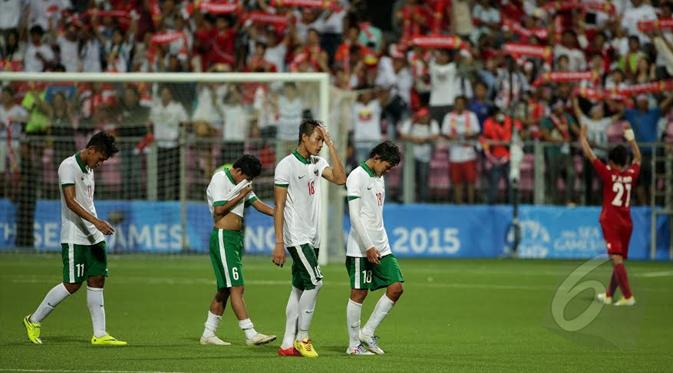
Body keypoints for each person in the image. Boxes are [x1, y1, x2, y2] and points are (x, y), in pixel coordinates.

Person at [22, 131, 126, 345]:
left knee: (97, 279)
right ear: (91, 150)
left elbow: (87, 202)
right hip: (75, 236)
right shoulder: (68, 166)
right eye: (101, 158)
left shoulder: (89, 169)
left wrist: (96, 226)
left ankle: (100, 334)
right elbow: (70, 201)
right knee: (72, 284)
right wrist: (96, 222)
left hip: (94, 236)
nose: (101, 163)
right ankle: (33, 320)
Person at [272, 119, 346, 357]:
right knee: (316, 281)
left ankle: (286, 343)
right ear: (303, 137)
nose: (320, 144)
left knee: (299, 287)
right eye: (317, 139)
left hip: (313, 236)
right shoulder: (286, 165)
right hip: (296, 236)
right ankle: (302, 337)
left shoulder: (318, 162)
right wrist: (279, 242)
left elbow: (340, 178)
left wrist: (332, 144)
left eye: (322, 140)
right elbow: (279, 205)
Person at [200, 155, 277, 346]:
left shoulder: (242, 183)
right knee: (237, 286)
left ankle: (208, 333)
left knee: (225, 290)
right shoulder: (220, 178)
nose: (248, 182)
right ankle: (250, 333)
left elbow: (257, 203)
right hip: (223, 237)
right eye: (247, 178)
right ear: (239, 171)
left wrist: (278, 212)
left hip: (234, 239)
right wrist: (241, 194)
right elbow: (219, 210)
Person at [345, 141, 403, 356]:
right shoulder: (357, 176)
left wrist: (377, 244)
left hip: (382, 245)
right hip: (361, 247)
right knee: (359, 293)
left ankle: (367, 332)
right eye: (387, 166)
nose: (388, 171)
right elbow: (354, 216)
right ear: (377, 157)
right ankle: (353, 346)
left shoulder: (379, 178)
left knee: (396, 287)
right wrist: (368, 245)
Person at [578, 124, 641, 306]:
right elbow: (638, 158)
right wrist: (631, 138)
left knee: (616, 259)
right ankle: (608, 295)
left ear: (612, 162)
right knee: (618, 258)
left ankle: (628, 296)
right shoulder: (630, 174)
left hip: (611, 221)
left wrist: (582, 136)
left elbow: (590, 155)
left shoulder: (608, 174)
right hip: (627, 222)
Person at [441, 95, 480, 204]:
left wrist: (469, 136)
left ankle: (471, 203)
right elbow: (445, 133)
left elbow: (476, 132)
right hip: (455, 154)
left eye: (461, 103)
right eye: (457, 103)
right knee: (456, 181)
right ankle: (459, 204)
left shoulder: (471, 116)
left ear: (465, 104)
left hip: (469, 153)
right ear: (454, 104)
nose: (459, 106)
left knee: (470, 181)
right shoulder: (449, 116)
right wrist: (452, 136)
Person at [399, 107, 440, 202]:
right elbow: (402, 134)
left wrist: (424, 139)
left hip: (425, 157)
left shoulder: (432, 123)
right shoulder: (410, 122)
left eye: (425, 116)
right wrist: (414, 138)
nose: (423, 118)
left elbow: (435, 135)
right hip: (410, 157)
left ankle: (423, 200)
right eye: (421, 117)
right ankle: (403, 198)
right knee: (406, 178)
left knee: (423, 179)